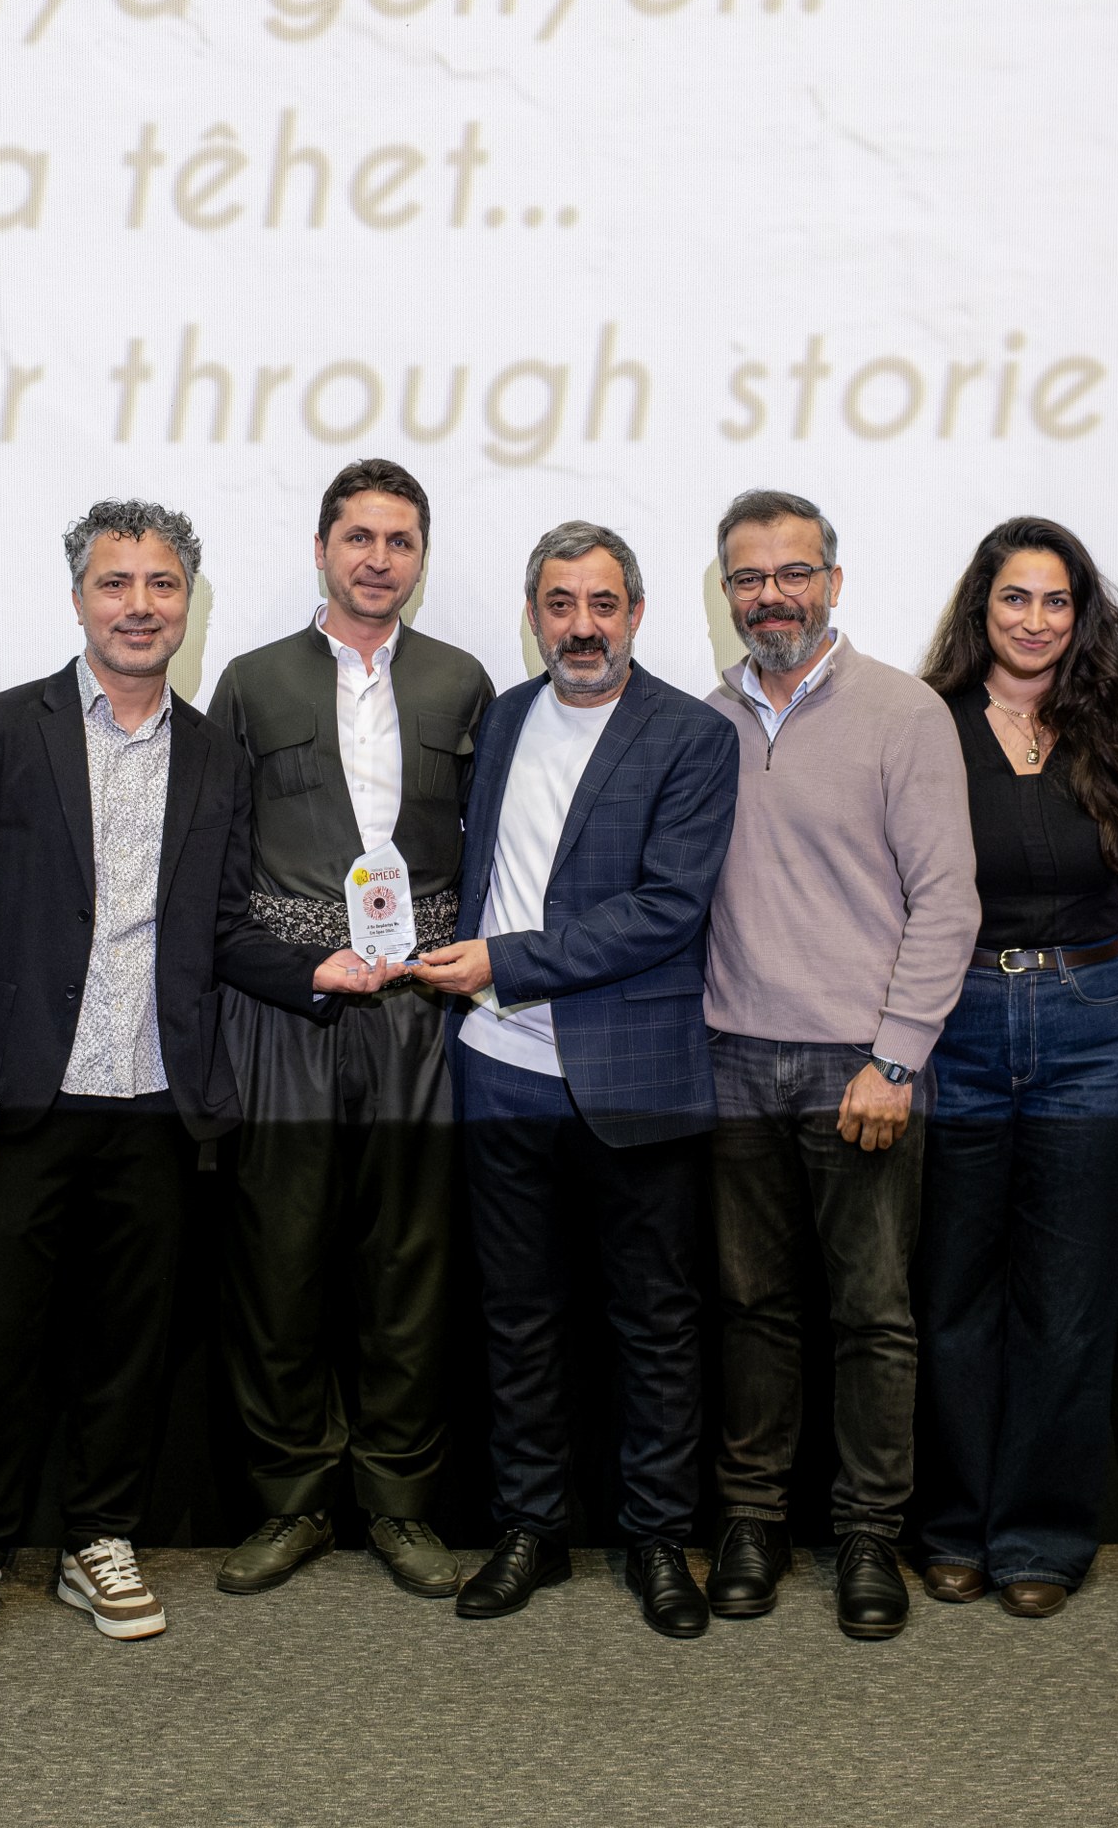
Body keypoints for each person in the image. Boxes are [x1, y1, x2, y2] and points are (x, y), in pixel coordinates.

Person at [0, 500, 378, 1662]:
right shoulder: (0, 730)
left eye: (162, 584)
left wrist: (313, 970)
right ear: (79, 597)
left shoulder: (215, 753)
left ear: (188, 602)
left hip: (161, 1100)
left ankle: (99, 1536)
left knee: (130, 1341)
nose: (139, 605)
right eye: (115, 583)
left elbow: (220, 926)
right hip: (22, 1099)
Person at [406, 521, 740, 1639]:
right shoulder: (504, 716)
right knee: (518, 1318)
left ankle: (657, 1539)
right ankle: (530, 1526)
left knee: (655, 1323)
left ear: (636, 613)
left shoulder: (693, 736)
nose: (582, 625)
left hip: (634, 1078)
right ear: (534, 615)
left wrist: (506, 962)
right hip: (498, 1073)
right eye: (560, 603)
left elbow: (667, 909)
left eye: (603, 603)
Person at [203, 460, 495, 1600]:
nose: (379, 559)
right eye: (359, 537)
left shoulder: (462, 683)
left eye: (400, 540)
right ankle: (291, 1501)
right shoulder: (252, 681)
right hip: (290, 1010)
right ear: (322, 547)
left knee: (410, 1264)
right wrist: (290, 967)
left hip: (421, 1009)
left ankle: (400, 1504)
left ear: (422, 557)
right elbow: (215, 867)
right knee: (279, 1260)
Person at [692, 492, 975, 1640]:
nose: (773, 595)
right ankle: (753, 1520)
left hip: (862, 1068)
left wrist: (895, 1060)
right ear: (726, 591)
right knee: (750, 1308)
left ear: (834, 582)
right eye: (749, 577)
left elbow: (947, 901)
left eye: (793, 572)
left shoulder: (904, 712)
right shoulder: (702, 720)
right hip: (730, 1059)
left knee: (872, 1316)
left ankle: (868, 1532)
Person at [910, 518, 1118, 1620]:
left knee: (1070, 1297)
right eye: (1016, 597)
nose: (1037, 619)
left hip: (1090, 1020)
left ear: (1081, 615)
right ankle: (952, 1528)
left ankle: (1041, 1537)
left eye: (1058, 600)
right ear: (982, 606)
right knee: (953, 1291)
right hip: (956, 1016)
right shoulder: (927, 723)